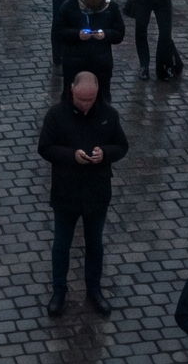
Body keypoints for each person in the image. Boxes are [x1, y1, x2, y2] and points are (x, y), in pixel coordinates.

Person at [38, 71, 128, 318]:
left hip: (97, 192)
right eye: (80, 100)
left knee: (95, 244)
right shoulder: (56, 115)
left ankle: (94, 289)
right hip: (66, 192)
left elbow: (122, 146)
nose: (85, 105)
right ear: (71, 91)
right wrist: (72, 156)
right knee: (61, 245)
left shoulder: (109, 116)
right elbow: (45, 147)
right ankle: (59, 291)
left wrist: (105, 154)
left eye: (89, 100)